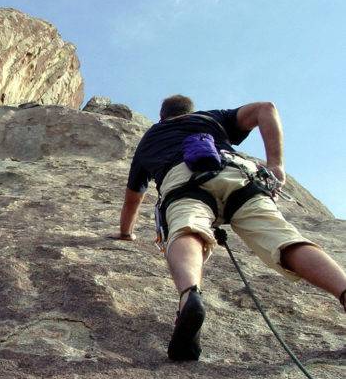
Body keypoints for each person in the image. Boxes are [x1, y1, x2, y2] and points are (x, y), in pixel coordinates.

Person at [115, 94, 346, 361]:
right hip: (237, 174)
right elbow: (265, 108)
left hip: (183, 181)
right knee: (284, 238)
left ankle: (189, 295)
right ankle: (343, 290)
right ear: (190, 110)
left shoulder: (149, 141)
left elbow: (133, 198)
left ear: (161, 116)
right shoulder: (211, 117)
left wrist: (125, 233)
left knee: (187, 229)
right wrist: (276, 166)